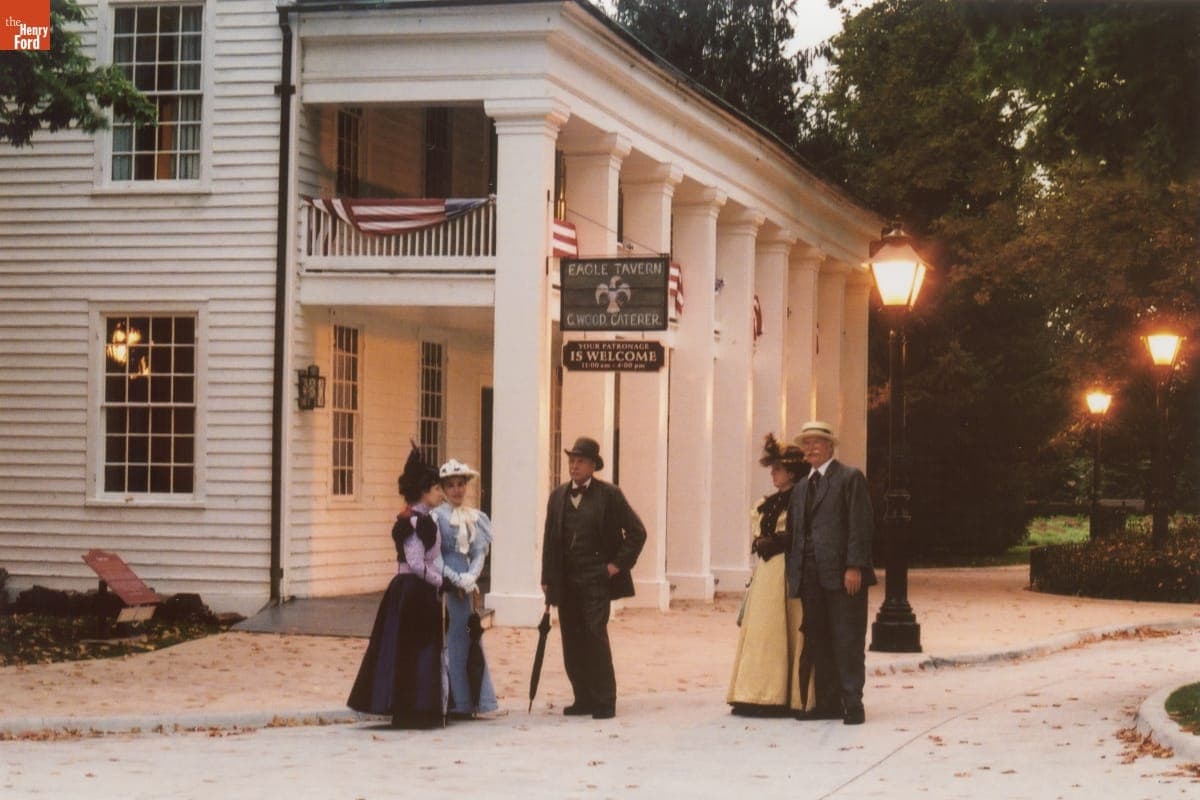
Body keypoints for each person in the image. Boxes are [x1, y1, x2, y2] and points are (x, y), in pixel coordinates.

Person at [541, 436, 646, 720]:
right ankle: (583, 698)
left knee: (594, 635)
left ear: (592, 466)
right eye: (571, 461)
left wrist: (615, 566)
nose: (574, 466)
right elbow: (550, 540)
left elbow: (637, 532)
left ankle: (604, 700)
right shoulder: (558, 496)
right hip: (566, 580)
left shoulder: (609, 495)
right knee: (571, 638)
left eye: (580, 461)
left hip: (596, 579)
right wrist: (547, 578)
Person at [348, 444, 446, 729]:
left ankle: (421, 706)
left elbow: (428, 559)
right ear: (425, 491)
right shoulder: (413, 522)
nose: (441, 493)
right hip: (411, 591)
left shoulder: (423, 520)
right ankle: (408, 707)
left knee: (421, 647)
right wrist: (441, 580)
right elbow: (415, 562)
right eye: (437, 488)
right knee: (411, 647)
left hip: (419, 590)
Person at [786, 420, 876, 725]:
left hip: (842, 575)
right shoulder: (801, 487)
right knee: (818, 639)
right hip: (809, 576)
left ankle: (853, 703)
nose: (810, 448)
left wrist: (854, 566)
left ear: (829, 446)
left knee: (847, 638)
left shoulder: (850, 478)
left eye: (816, 442)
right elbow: (796, 533)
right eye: (806, 443)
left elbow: (860, 524)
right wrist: (794, 575)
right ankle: (827, 703)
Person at [727, 434, 816, 717]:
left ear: (792, 472)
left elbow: (800, 533)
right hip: (766, 573)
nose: (773, 474)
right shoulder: (767, 503)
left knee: (782, 628)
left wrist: (777, 541)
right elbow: (760, 531)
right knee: (763, 630)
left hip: (787, 570)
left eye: (778, 469)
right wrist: (762, 541)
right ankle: (754, 692)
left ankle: (780, 695)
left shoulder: (802, 500)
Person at [432, 458, 500, 719]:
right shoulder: (437, 517)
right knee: (450, 638)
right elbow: (435, 556)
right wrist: (455, 579)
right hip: (446, 584)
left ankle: (473, 700)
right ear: (443, 489)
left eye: (461, 484)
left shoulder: (474, 517)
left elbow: (479, 552)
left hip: (467, 587)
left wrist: (471, 577)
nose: (457, 490)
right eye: (451, 485)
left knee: (470, 636)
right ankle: (454, 701)